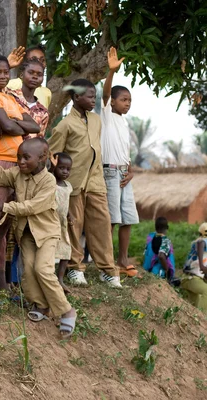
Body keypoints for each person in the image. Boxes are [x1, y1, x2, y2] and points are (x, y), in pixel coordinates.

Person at [0, 138, 77, 338]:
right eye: (18, 157)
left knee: (43, 269)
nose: (21, 162)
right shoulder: (17, 173)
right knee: (29, 270)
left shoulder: (49, 181)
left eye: (26, 158)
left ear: (42, 158)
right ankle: (41, 305)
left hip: (46, 232)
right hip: (24, 232)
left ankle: (66, 310)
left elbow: (33, 206)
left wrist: (4, 207)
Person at [0, 54, 40, 302]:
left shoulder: (11, 97)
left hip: (18, 165)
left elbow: (34, 126)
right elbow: (13, 127)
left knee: (3, 228)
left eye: (5, 72)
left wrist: (11, 121)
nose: (2, 76)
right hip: (0, 161)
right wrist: (12, 123)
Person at [48, 78, 122, 288]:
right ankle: (74, 268)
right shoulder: (64, 125)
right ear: (76, 97)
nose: (93, 100)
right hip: (73, 184)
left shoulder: (96, 120)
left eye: (94, 96)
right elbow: (53, 155)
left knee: (102, 224)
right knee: (74, 225)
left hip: (96, 182)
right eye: (89, 97)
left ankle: (107, 270)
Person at [101, 47, 139, 278]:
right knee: (111, 219)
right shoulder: (106, 113)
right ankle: (106, 261)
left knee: (128, 218)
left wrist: (131, 170)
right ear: (112, 102)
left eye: (130, 100)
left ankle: (123, 259)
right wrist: (111, 72)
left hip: (124, 174)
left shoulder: (124, 123)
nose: (128, 103)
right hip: (110, 173)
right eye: (124, 99)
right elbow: (105, 92)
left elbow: (125, 151)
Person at [8, 59, 49, 138]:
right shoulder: (9, 95)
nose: (35, 77)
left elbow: (39, 139)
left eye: (39, 74)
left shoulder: (43, 112)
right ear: (21, 75)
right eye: (30, 72)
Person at [51, 153, 74, 294]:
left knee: (66, 251)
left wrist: (70, 215)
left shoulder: (68, 186)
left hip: (63, 223)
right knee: (50, 251)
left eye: (68, 169)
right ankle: (50, 278)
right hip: (51, 222)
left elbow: (66, 203)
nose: (65, 171)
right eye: (61, 168)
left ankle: (60, 279)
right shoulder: (51, 182)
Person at [181, 223, 207, 311]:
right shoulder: (202, 242)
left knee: (194, 306)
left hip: (190, 278)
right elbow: (202, 242)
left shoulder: (197, 243)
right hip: (191, 278)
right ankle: (203, 317)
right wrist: (202, 266)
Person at [142, 217, 175, 281]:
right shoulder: (165, 241)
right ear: (167, 227)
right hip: (159, 273)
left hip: (148, 271)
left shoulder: (150, 238)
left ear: (155, 228)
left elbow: (146, 254)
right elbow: (161, 256)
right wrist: (166, 269)